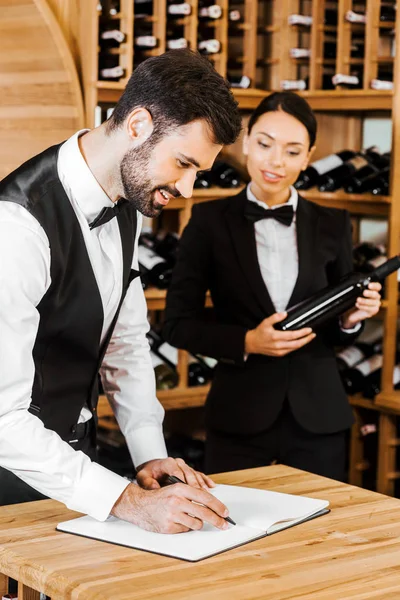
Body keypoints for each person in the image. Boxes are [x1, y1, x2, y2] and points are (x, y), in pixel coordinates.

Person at [0, 49, 242, 534]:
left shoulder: (128, 197)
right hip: (8, 485)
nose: (189, 189)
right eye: (184, 163)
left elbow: (125, 343)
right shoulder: (16, 228)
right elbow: (1, 419)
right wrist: (125, 501)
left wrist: (150, 456)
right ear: (136, 125)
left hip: (78, 478)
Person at [163, 91, 382, 481]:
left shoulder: (333, 223)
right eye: (264, 144)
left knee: (321, 536)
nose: (276, 161)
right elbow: (178, 323)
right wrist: (247, 341)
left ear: (309, 155)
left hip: (319, 419)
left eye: (293, 151)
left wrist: (350, 319)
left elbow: (337, 334)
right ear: (246, 141)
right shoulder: (208, 221)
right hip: (238, 418)